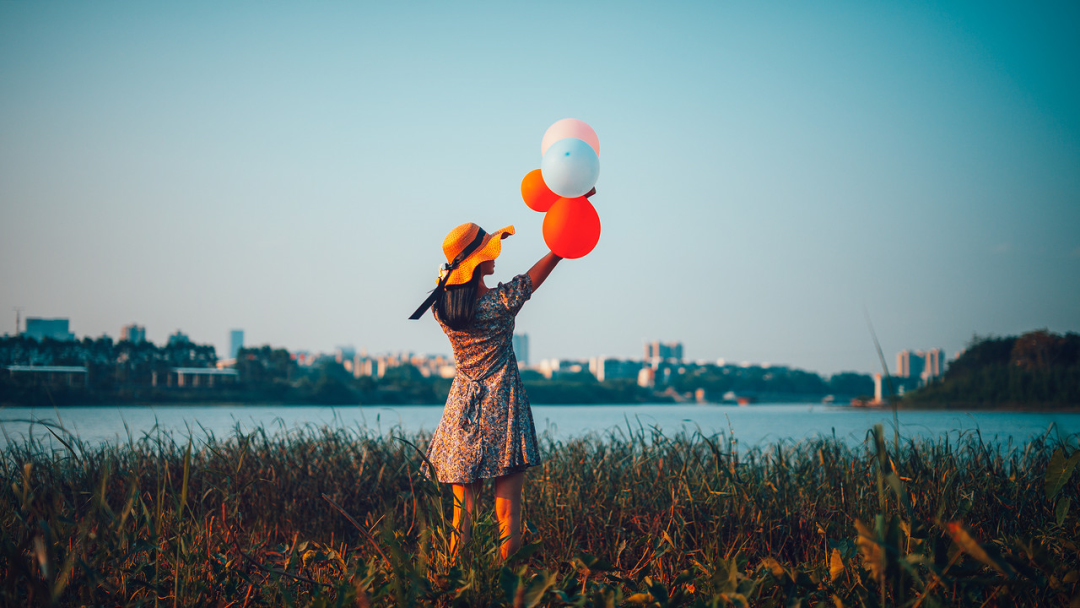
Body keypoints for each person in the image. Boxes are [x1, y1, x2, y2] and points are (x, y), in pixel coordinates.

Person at [409, 221, 561, 560]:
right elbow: (543, 268)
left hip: (462, 412)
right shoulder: (501, 303)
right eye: (490, 251)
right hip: (504, 410)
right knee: (509, 516)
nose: (497, 255)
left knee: (461, 516)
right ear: (477, 263)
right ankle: (510, 588)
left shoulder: (441, 310)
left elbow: (446, 287)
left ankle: (455, 586)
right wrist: (562, 242)